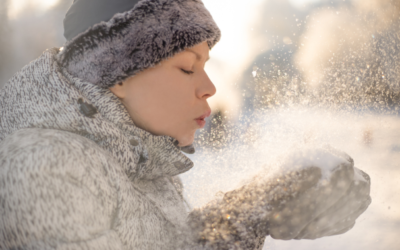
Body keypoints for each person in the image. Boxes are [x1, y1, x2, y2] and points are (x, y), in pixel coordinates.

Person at [0, 0, 371, 249]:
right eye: (187, 67)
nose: (209, 88)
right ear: (117, 73)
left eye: (206, 66)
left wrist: (259, 207)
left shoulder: (134, 161)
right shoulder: (45, 164)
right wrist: (251, 215)